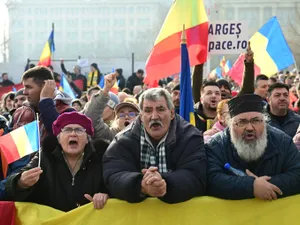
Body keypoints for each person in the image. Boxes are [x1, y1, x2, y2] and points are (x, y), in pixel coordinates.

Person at [103, 88, 206, 204]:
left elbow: (197, 175)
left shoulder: (190, 137)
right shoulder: (123, 139)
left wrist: (164, 184)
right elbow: (113, 175)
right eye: (148, 110)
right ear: (141, 116)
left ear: (172, 113)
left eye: (160, 109)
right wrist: (141, 185)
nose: (154, 116)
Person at [5, 112, 109, 211]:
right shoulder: (45, 157)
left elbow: (113, 184)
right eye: (67, 130)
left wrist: (105, 195)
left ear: (87, 139)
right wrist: (21, 182)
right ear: (59, 139)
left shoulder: (99, 158)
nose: (73, 134)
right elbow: (11, 184)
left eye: (79, 130)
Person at [206, 94, 300, 200]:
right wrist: (251, 186)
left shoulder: (283, 142)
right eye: (242, 122)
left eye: (256, 121)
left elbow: (297, 174)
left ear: (264, 122)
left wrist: (263, 186)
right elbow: (211, 179)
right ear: (230, 124)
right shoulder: (215, 146)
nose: (250, 128)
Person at [12, 66, 74, 141]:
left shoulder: (68, 112)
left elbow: (59, 136)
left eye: (29, 87)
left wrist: (45, 100)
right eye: (24, 87)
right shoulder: (19, 112)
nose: (24, 92)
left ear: (45, 86)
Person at [85, 73, 138, 142]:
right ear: (117, 120)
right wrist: (106, 90)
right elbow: (91, 118)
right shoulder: (110, 135)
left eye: (131, 114)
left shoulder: (146, 135)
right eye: (121, 115)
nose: (126, 117)